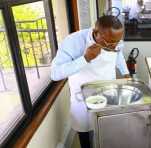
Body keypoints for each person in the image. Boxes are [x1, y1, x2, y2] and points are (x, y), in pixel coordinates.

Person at [50, 15, 130, 148]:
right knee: (85, 132)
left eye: (116, 42)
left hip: (108, 93)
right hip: (82, 98)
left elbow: (118, 54)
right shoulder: (73, 42)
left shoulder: (114, 41)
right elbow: (55, 74)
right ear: (95, 32)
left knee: (107, 131)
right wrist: (85, 58)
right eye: (107, 43)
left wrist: (126, 73)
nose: (112, 46)